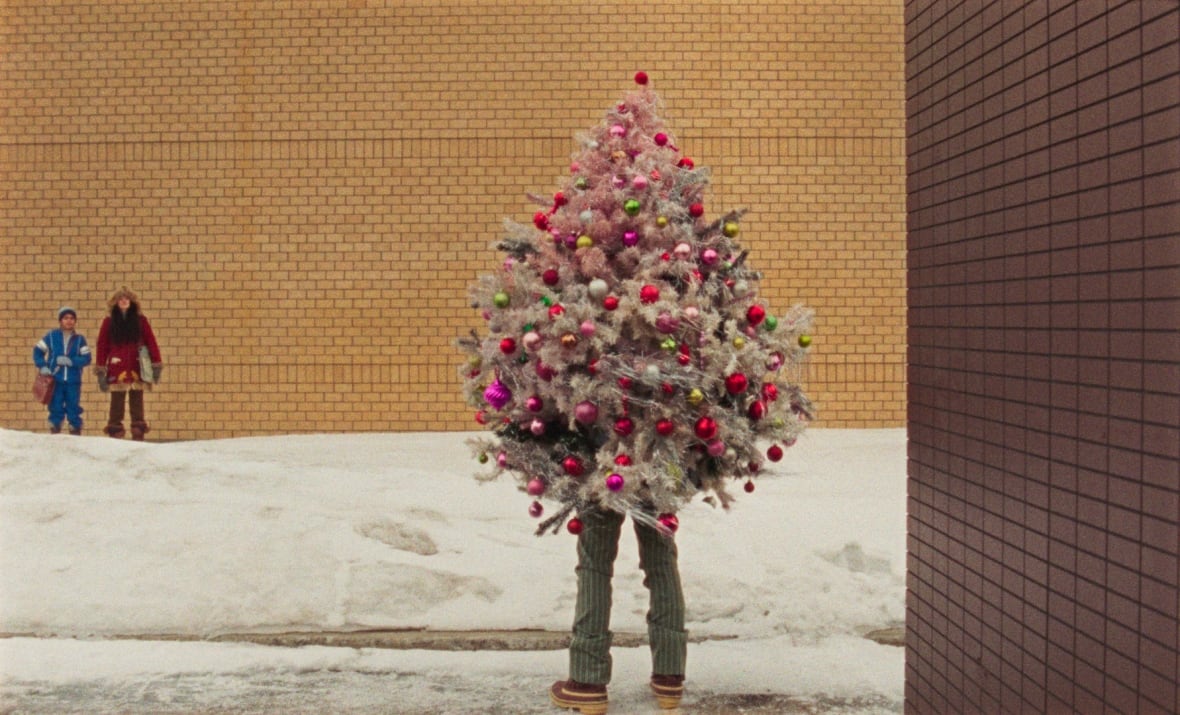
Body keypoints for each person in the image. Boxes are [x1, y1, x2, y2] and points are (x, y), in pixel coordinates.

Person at [550, 506, 687, 714]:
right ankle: (669, 674)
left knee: (594, 561)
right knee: (661, 557)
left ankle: (587, 680)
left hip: (601, 475)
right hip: (657, 475)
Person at [95, 287, 162, 441]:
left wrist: (156, 363)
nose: (124, 301)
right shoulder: (109, 321)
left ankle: (138, 430)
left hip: (137, 366)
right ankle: (115, 431)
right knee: (116, 401)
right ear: (116, 302)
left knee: (137, 399)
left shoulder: (141, 321)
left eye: (126, 298)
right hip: (116, 367)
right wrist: (100, 369)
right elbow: (102, 346)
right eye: (121, 299)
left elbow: (151, 342)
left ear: (131, 302)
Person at [32, 306, 92, 435]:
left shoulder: (80, 339)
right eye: (66, 318)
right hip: (55, 380)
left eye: (72, 318)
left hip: (73, 380)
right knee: (56, 406)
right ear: (60, 320)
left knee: (73, 406)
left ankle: (75, 430)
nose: (69, 321)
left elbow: (87, 358)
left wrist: (72, 362)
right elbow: (37, 351)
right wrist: (42, 366)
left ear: (75, 321)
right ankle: (55, 429)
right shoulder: (51, 336)